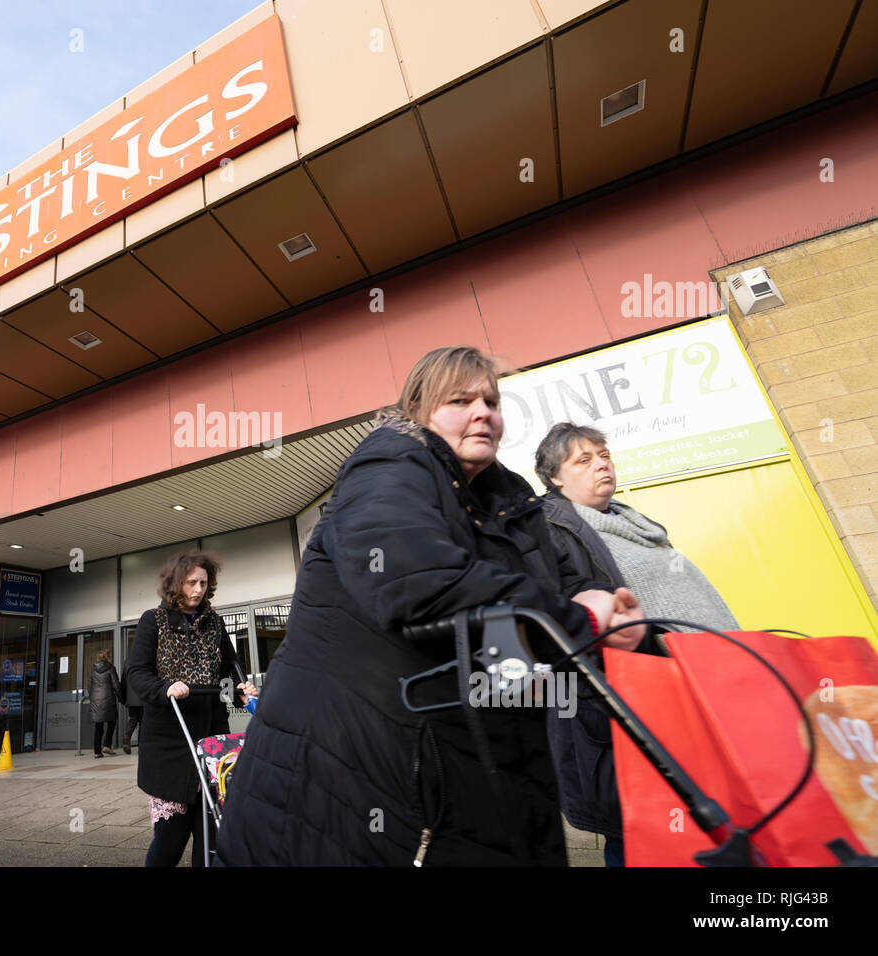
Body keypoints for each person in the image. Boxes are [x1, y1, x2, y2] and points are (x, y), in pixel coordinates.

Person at [214, 345, 645, 867]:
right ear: (420, 409)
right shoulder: (389, 463)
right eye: (460, 400)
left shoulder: (507, 501)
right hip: (350, 781)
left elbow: (539, 601)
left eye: (491, 400)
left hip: (486, 776)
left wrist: (608, 618)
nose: (483, 411)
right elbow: (416, 584)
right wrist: (580, 618)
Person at [535, 421, 740, 865]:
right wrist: (655, 642)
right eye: (583, 460)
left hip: (707, 683)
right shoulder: (552, 530)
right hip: (634, 703)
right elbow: (566, 623)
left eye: (603, 455)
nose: (601, 465)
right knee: (645, 831)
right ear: (555, 477)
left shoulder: (637, 524)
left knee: (717, 818)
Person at [126, 550, 258, 867]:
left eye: (203, 583)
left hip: (213, 740)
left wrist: (243, 688)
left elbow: (231, 666)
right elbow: (137, 673)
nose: (198, 589)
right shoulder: (152, 620)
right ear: (176, 584)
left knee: (212, 836)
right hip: (170, 742)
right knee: (170, 840)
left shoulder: (214, 622)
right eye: (190, 583)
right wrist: (165, 687)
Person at [88, 648, 122, 758]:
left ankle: (97, 752)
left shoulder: (93, 670)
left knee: (98, 726)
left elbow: (89, 686)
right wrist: (121, 698)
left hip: (96, 701)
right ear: (108, 657)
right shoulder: (111, 668)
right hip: (108, 700)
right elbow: (116, 685)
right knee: (112, 722)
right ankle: (107, 745)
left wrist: (93, 698)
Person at [117, 656, 142, 755]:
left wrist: (124, 698)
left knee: (133, 719)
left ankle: (127, 738)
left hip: (131, 698)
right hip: (143, 696)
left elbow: (123, 681)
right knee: (143, 722)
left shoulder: (127, 662)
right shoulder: (145, 658)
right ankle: (141, 746)